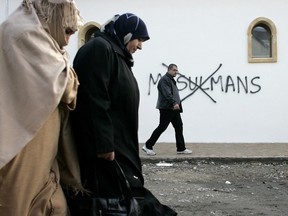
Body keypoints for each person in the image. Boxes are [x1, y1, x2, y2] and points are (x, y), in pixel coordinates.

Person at [71, 13, 177, 215]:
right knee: (125, 203)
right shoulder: (99, 49)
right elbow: (93, 98)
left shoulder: (115, 53)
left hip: (120, 147)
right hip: (108, 153)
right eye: (139, 39)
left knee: (128, 201)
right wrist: (104, 144)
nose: (140, 46)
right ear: (126, 34)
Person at [0, 0, 83, 215]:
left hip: (44, 147)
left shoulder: (38, 36)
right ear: (52, 16)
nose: (67, 40)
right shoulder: (24, 34)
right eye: (67, 30)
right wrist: (67, 70)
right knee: (18, 205)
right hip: (21, 148)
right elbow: (66, 86)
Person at [142, 64, 193, 156]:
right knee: (162, 127)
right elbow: (167, 94)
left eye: (177, 70)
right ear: (169, 70)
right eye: (174, 70)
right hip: (167, 108)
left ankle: (181, 148)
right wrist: (174, 103)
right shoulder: (164, 80)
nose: (176, 72)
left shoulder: (170, 79)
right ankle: (148, 145)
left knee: (179, 126)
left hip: (174, 109)